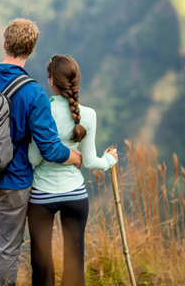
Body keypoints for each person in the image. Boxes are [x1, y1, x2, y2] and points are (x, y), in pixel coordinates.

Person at [0, 19, 83, 286]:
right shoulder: (33, 93)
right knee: (6, 248)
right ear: (31, 50)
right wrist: (77, 158)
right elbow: (50, 150)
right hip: (13, 183)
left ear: (4, 43)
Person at [27, 55, 118, 286]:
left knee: (41, 261)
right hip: (75, 195)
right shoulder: (88, 115)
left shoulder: (41, 111)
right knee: (75, 260)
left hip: (41, 196)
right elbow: (89, 161)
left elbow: (34, 159)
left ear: (50, 81)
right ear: (76, 81)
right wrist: (108, 160)